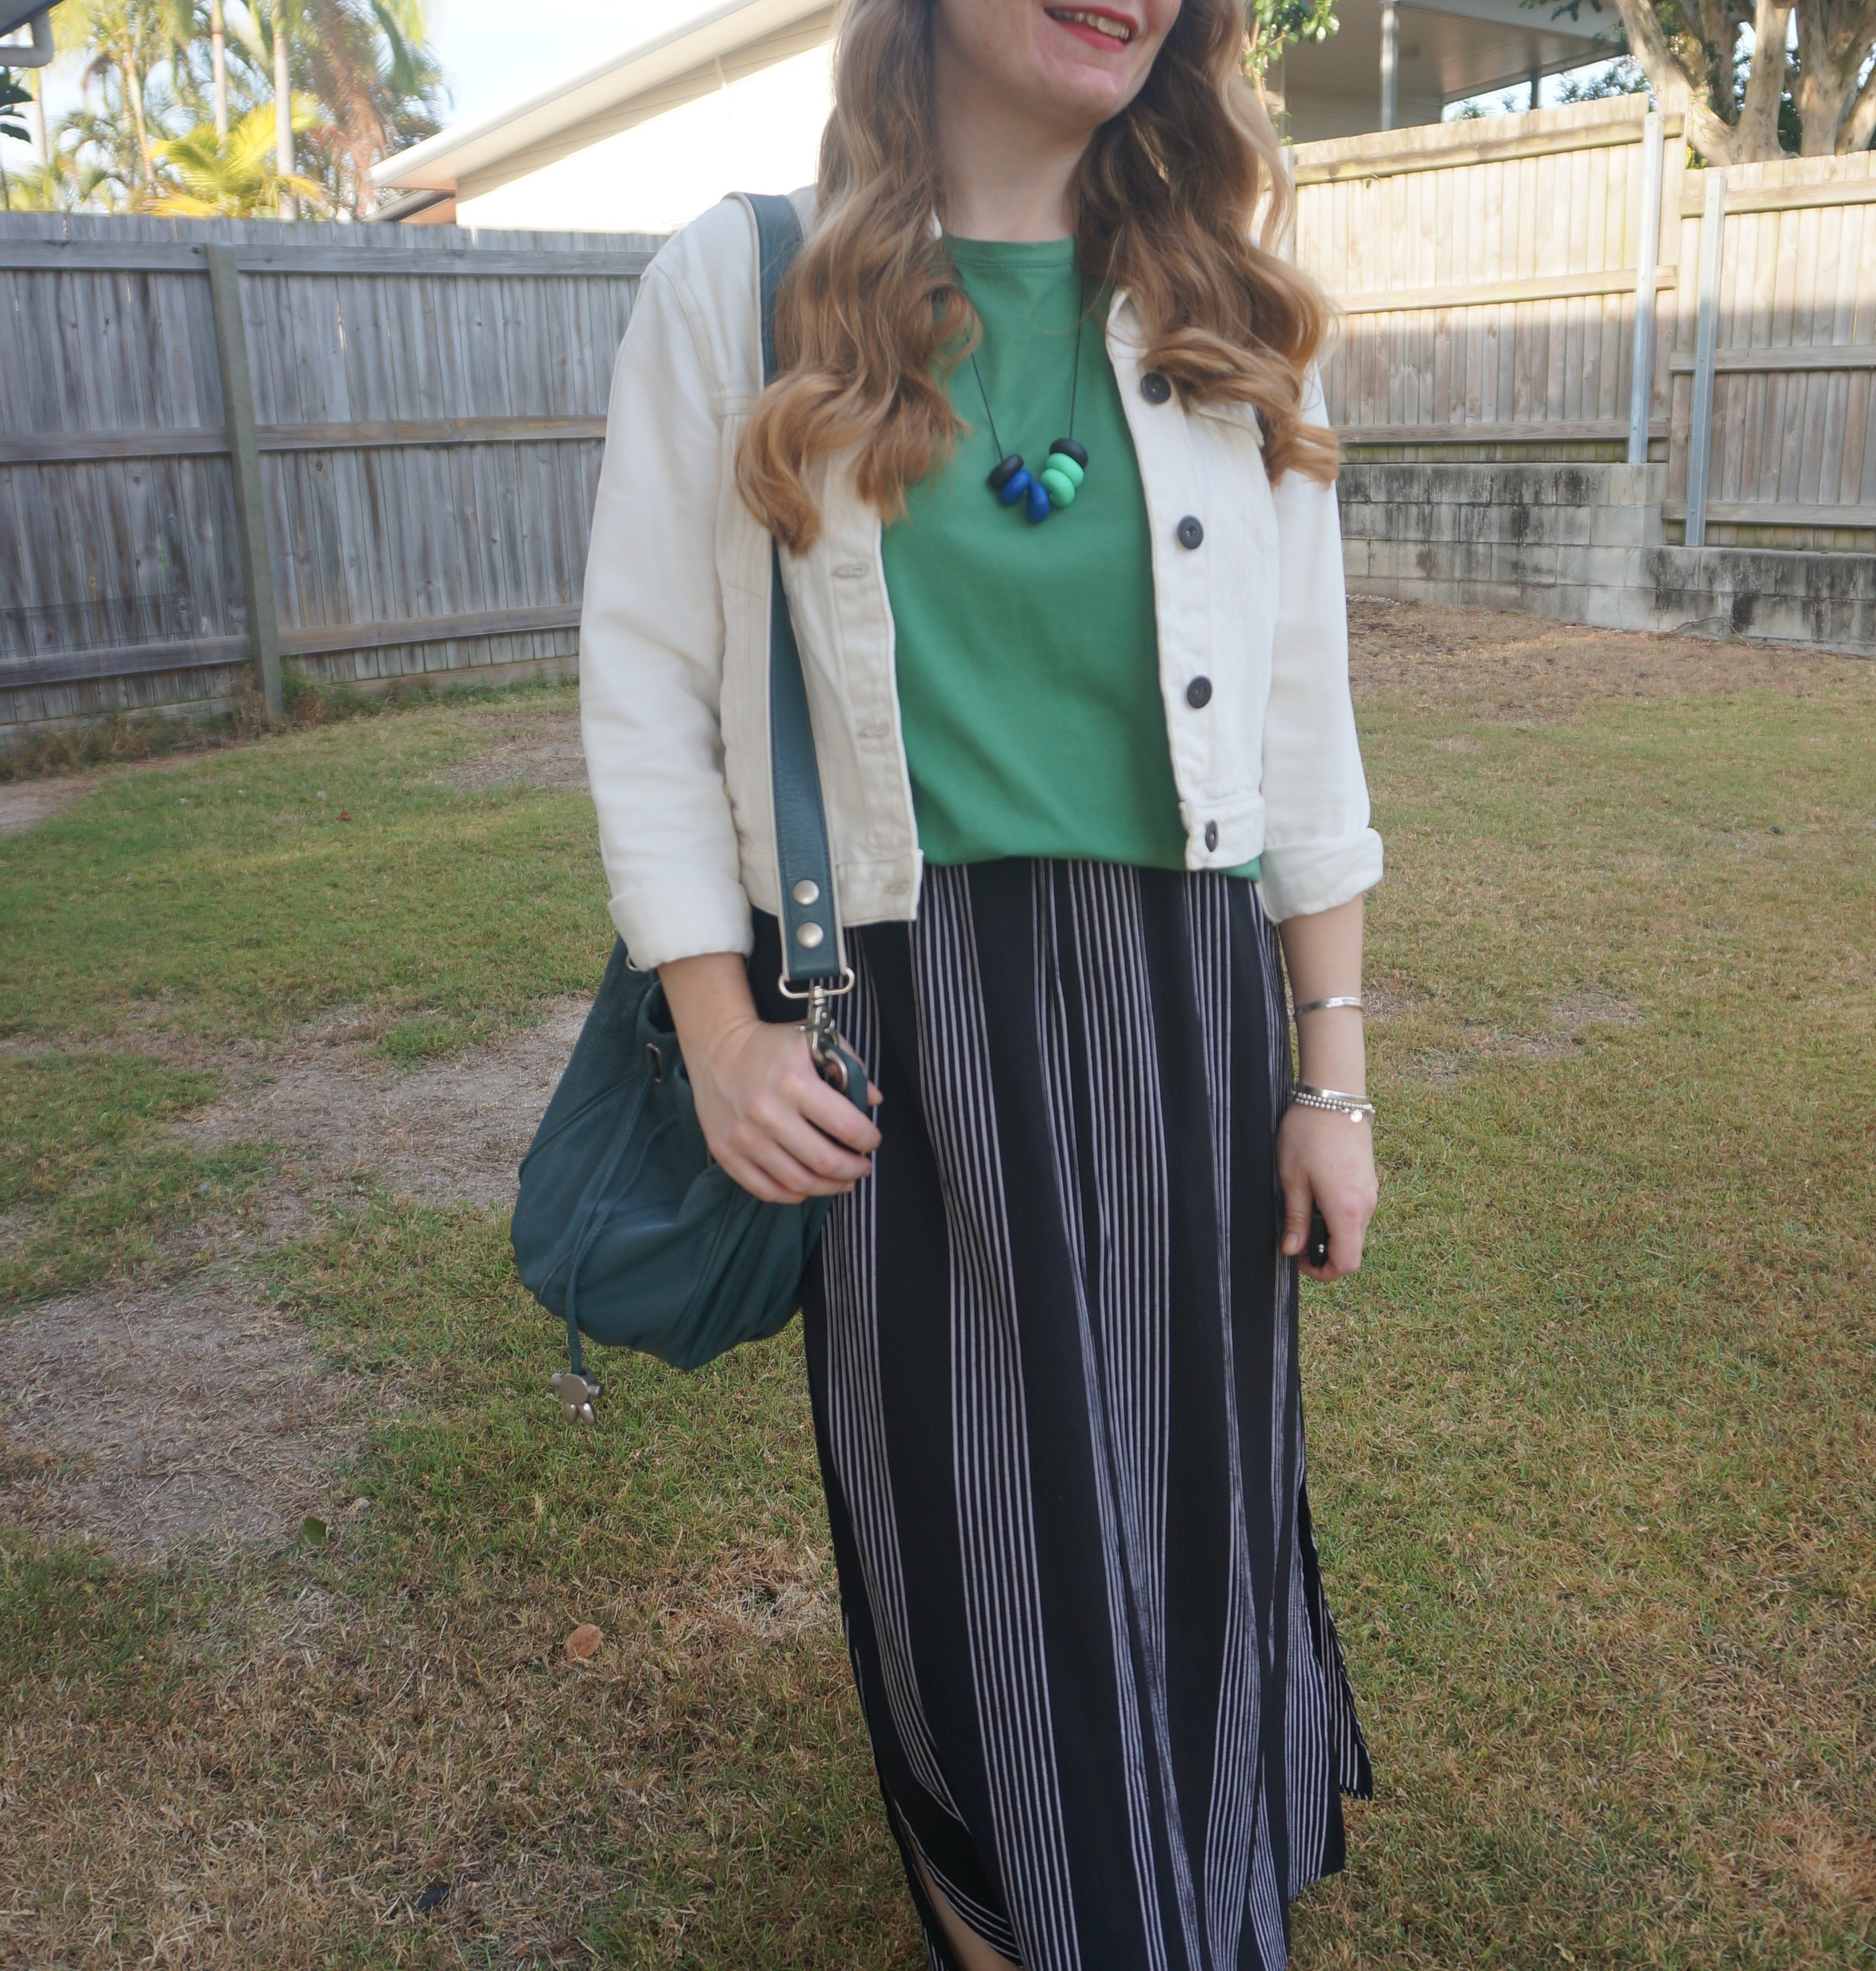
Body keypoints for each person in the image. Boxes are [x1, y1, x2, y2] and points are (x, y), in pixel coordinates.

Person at [578, 0, 1382, 1960]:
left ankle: (1188, 1884)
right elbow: (645, 681)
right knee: (974, 1553)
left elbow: (1301, 725)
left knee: (1194, 1515)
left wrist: (1329, 1076)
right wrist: (714, 1028)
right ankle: (1026, 1908)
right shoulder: (748, 282)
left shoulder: (1228, 313)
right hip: (909, 1038)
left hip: (1184, 1023)